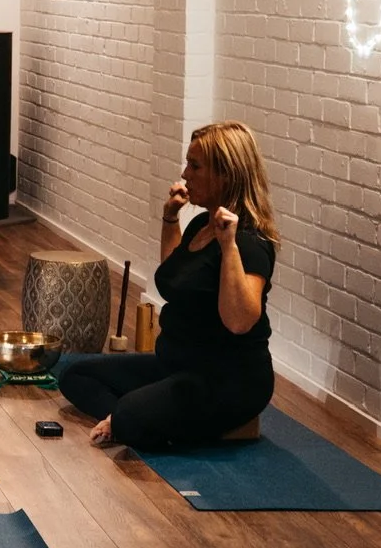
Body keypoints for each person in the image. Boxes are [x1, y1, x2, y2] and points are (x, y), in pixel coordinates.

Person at [58, 121, 280, 449]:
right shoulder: (203, 224)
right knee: (76, 376)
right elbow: (176, 276)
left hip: (225, 380)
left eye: (195, 165)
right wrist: (170, 217)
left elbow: (239, 321)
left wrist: (228, 245)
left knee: (132, 418)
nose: (185, 174)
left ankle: (135, 418)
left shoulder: (249, 242)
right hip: (174, 365)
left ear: (226, 174)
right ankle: (125, 418)